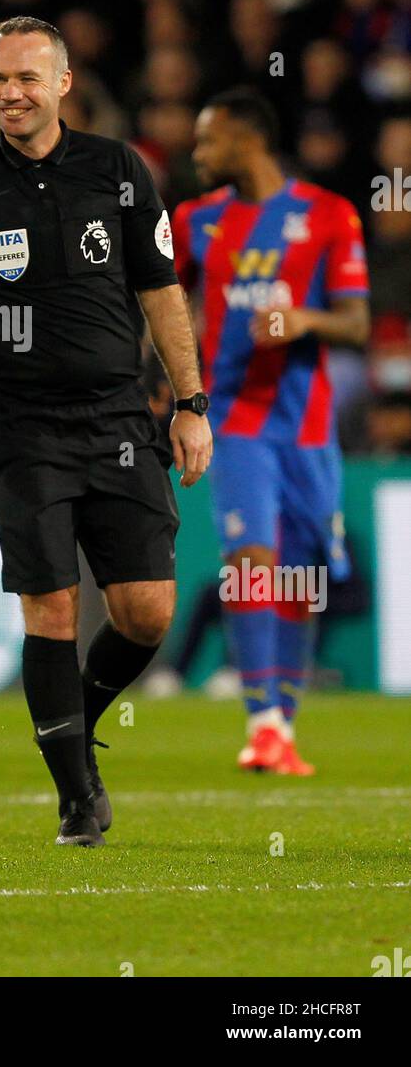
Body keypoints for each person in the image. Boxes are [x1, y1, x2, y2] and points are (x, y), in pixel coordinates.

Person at [0, 16, 212, 846]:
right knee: (51, 610)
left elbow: (161, 291)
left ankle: (77, 719)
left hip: (118, 415)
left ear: (63, 84)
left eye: (27, 78)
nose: (9, 93)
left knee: (146, 611)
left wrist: (191, 402)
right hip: (26, 422)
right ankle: (78, 798)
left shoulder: (117, 170)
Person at [173, 87, 369, 775]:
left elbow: (357, 322)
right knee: (251, 560)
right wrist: (167, 387)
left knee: (302, 575)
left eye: (207, 140)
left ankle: (281, 724)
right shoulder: (196, 221)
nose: (198, 154)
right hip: (235, 417)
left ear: (246, 139)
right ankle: (260, 722)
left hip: (308, 425)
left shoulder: (328, 214)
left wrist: (304, 321)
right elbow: (161, 306)